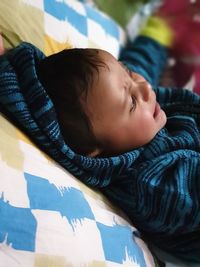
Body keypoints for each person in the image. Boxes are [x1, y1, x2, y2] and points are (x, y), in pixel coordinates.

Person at [0, 2, 200, 263]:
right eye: (130, 103)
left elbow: (140, 65)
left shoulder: (133, 117)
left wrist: (157, 31)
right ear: (96, 152)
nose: (144, 89)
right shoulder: (153, 184)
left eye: (128, 74)